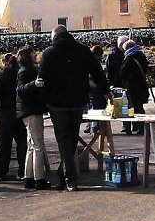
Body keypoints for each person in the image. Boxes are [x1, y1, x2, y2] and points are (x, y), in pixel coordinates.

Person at [38, 25, 111, 192]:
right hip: (78, 101)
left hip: (56, 103)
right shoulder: (83, 51)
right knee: (71, 139)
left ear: (55, 36)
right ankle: (64, 175)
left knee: (64, 139)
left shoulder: (48, 53)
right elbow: (97, 72)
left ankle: (70, 178)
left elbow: (41, 80)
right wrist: (106, 91)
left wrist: (43, 103)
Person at [16, 47, 51, 190]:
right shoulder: (26, 71)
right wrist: (34, 84)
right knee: (38, 146)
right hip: (32, 111)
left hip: (27, 111)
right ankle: (39, 178)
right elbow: (21, 89)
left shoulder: (24, 70)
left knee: (31, 146)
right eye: (33, 54)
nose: (35, 55)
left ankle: (29, 177)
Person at [0, 53, 27, 181]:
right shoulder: (20, 75)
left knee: (3, 144)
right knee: (22, 143)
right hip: (19, 111)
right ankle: (22, 170)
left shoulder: (1, 76)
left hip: (5, 112)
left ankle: (0, 172)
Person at [120, 40, 149, 135]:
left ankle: (128, 129)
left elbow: (123, 72)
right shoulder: (141, 56)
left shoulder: (129, 58)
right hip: (141, 86)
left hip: (132, 87)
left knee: (128, 107)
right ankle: (141, 128)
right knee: (139, 107)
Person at [105, 35, 130, 133]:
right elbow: (109, 70)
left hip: (127, 82)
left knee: (129, 104)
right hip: (117, 83)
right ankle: (126, 125)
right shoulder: (112, 55)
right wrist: (110, 83)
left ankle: (131, 125)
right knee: (122, 104)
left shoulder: (128, 54)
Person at [84, 45, 107, 134]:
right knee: (96, 107)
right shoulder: (93, 62)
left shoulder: (87, 60)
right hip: (95, 88)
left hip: (92, 88)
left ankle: (92, 127)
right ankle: (95, 128)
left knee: (91, 107)